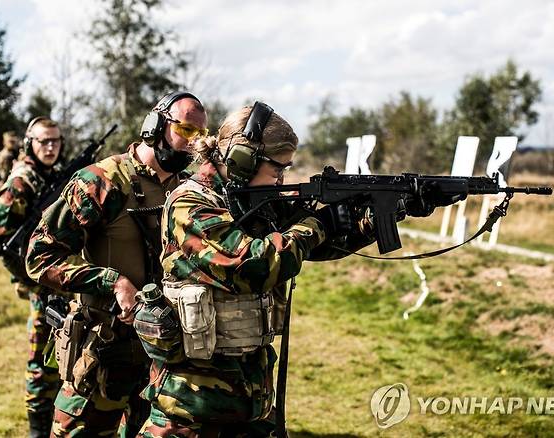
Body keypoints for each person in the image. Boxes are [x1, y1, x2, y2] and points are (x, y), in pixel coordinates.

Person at [134, 102, 375, 437]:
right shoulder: (192, 203)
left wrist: (371, 220)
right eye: (278, 169)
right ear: (242, 161)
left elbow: (309, 248)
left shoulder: (251, 201)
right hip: (191, 411)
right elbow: (251, 265)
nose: (281, 179)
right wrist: (313, 226)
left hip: (252, 404)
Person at [25, 91, 208, 437]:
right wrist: (113, 282)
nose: (192, 143)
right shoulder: (102, 180)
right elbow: (39, 255)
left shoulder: (188, 190)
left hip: (163, 356)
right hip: (103, 350)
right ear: (155, 126)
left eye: (199, 135)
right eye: (185, 130)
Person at [0, 117, 65, 437]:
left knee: (60, 358)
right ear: (30, 142)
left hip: (57, 279)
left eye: (56, 141)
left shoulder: (53, 175)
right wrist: (30, 278)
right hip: (41, 285)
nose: (50, 147)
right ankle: (37, 430)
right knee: (39, 363)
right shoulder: (22, 181)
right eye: (44, 141)